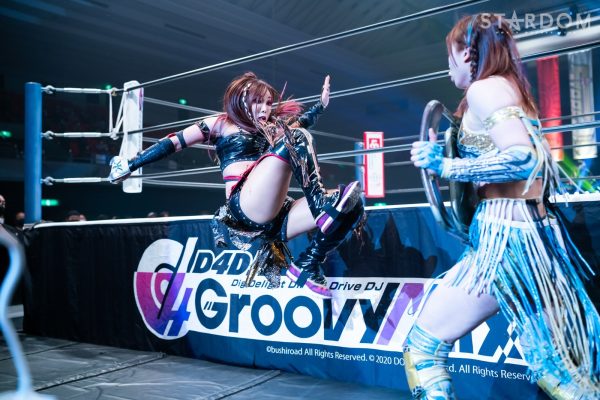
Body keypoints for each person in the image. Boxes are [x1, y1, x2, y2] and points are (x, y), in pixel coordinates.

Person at [407, 14, 599, 400]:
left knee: (423, 349)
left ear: (467, 53)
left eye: (450, 55)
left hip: (507, 244)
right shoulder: (509, 88)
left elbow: (523, 159)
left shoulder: (486, 89)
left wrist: (446, 165)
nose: (448, 66)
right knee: (558, 371)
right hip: (523, 240)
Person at [109, 72, 364, 298]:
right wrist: (130, 165)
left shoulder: (271, 129)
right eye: (258, 101)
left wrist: (320, 106)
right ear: (242, 100)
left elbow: (302, 122)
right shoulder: (221, 124)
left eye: (268, 103)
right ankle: (320, 207)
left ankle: (309, 262)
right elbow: (173, 143)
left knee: (352, 203)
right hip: (244, 206)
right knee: (297, 137)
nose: (265, 108)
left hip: (277, 219)